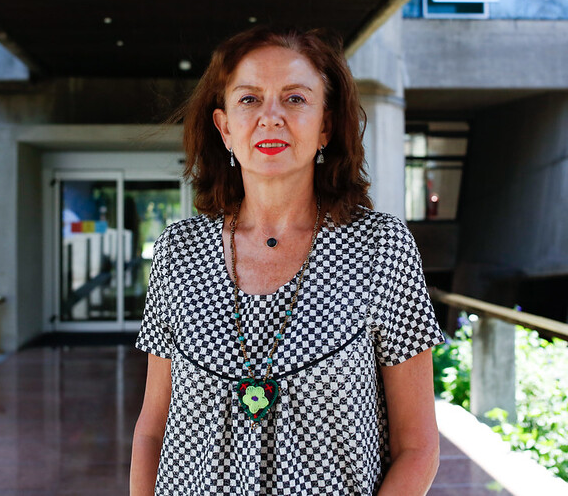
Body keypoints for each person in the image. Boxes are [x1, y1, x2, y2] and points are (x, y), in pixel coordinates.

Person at [130, 26, 444, 496]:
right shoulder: (178, 252)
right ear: (224, 128)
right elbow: (152, 431)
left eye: (295, 99)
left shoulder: (381, 248)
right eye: (249, 99)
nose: (271, 117)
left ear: (325, 126)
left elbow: (418, 447)